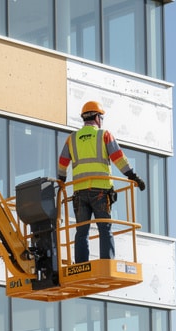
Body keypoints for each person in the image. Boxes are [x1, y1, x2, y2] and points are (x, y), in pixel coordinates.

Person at [56, 100, 146, 263]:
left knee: (81, 231)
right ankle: (107, 262)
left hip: (79, 192)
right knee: (105, 228)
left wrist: (61, 181)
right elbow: (118, 158)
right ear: (97, 117)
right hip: (100, 190)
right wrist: (133, 176)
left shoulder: (72, 138)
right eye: (101, 117)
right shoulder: (103, 135)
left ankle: (81, 264)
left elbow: (62, 162)